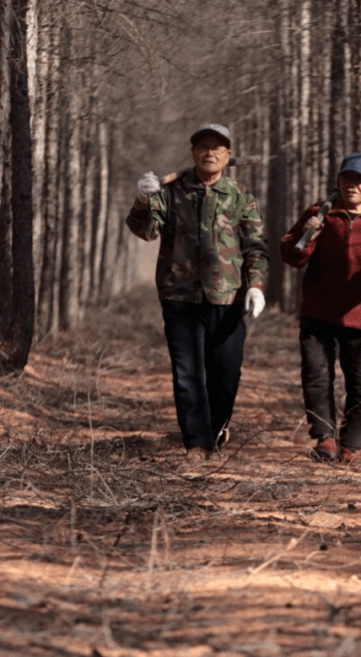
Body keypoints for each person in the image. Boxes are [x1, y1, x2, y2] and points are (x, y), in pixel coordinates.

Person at [125, 124, 268, 461]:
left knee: (226, 373)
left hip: (228, 297)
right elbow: (145, 231)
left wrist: (257, 285)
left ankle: (216, 431)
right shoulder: (172, 192)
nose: (210, 152)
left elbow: (256, 246)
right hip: (180, 297)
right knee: (187, 373)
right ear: (192, 152)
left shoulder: (240, 195)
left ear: (228, 156)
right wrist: (143, 200)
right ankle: (198, 444)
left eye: (218, 147)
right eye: (203, 146)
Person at [280, 153, 361, 464]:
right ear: (338, 181)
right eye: (346, 179)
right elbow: (291, 255)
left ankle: (351, 446)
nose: (351, 185)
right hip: (319, 313)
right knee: (317, 377)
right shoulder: (320, 214)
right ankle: (325, 439)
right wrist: (307, 234)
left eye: (359, 181)